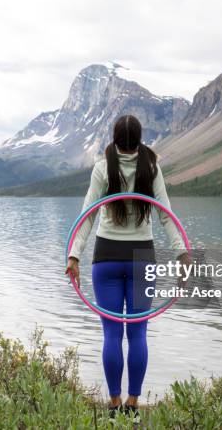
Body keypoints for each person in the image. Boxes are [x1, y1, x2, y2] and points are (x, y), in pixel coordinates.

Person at [65, 114, 189, 421]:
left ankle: (114, 404)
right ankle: (133, 405)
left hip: (105, 256)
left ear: (115, 137)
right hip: (141, 258)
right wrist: (183, 255)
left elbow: (87, 216)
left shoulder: (102, 167)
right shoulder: (152, 167)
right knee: (137, 333)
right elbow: (166, 215)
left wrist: (74, 256)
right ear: (140, 138)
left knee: (111, 334)